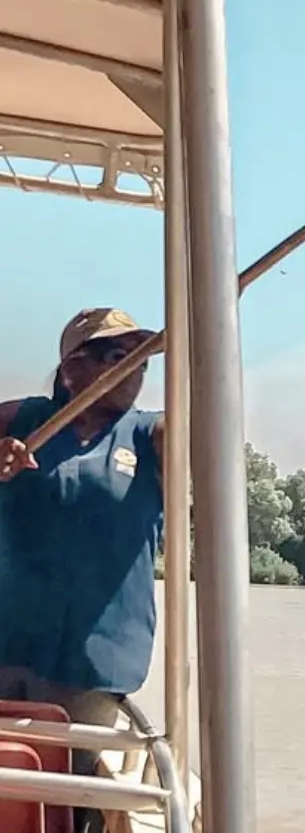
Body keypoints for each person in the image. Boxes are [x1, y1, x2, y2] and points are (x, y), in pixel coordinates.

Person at [0, 308, 164, 727]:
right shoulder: (23, 420)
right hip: (8, 647)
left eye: (142, 361)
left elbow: (205, 430)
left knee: (76, 786)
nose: (135, 371)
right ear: (73, 369)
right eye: (118, 358)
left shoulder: (149, 435)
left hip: (93, 664)